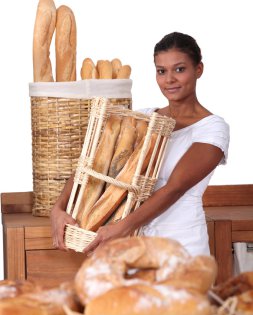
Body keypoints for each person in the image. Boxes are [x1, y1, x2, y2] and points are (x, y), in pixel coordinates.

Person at [51, 31, 229, 257]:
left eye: (179, 69)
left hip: (181, 246)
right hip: (132, 248)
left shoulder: (212, 128)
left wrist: (122, 227)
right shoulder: (143, 118)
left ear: (199, 70)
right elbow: (92, 167)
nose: (169, 79)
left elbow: (174, 188)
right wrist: (57, 209)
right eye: (161, 71)